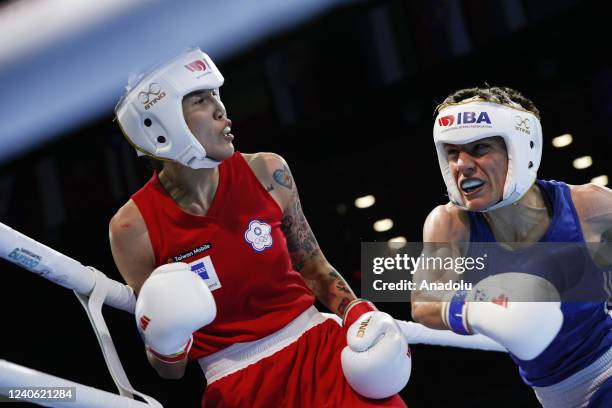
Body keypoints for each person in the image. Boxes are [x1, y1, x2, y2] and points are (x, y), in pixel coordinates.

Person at [109, 47, 410, 407]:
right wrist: (167, 343)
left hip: (322, 356)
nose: (222, 110)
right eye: (201, 100)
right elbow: (168, 369)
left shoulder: (268, 172)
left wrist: (356, 311)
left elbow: (313, 266)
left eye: (216, 96)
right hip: (236, 389)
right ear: (160, 122)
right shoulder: (131, 228)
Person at [411, 86, 612, 407]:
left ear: (520, 148)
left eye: (479, 148)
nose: (462, 164)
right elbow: (423, 302)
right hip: (552, 398)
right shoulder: (450, 224)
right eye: (452, 152)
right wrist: (476, 308)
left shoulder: (591, 205)